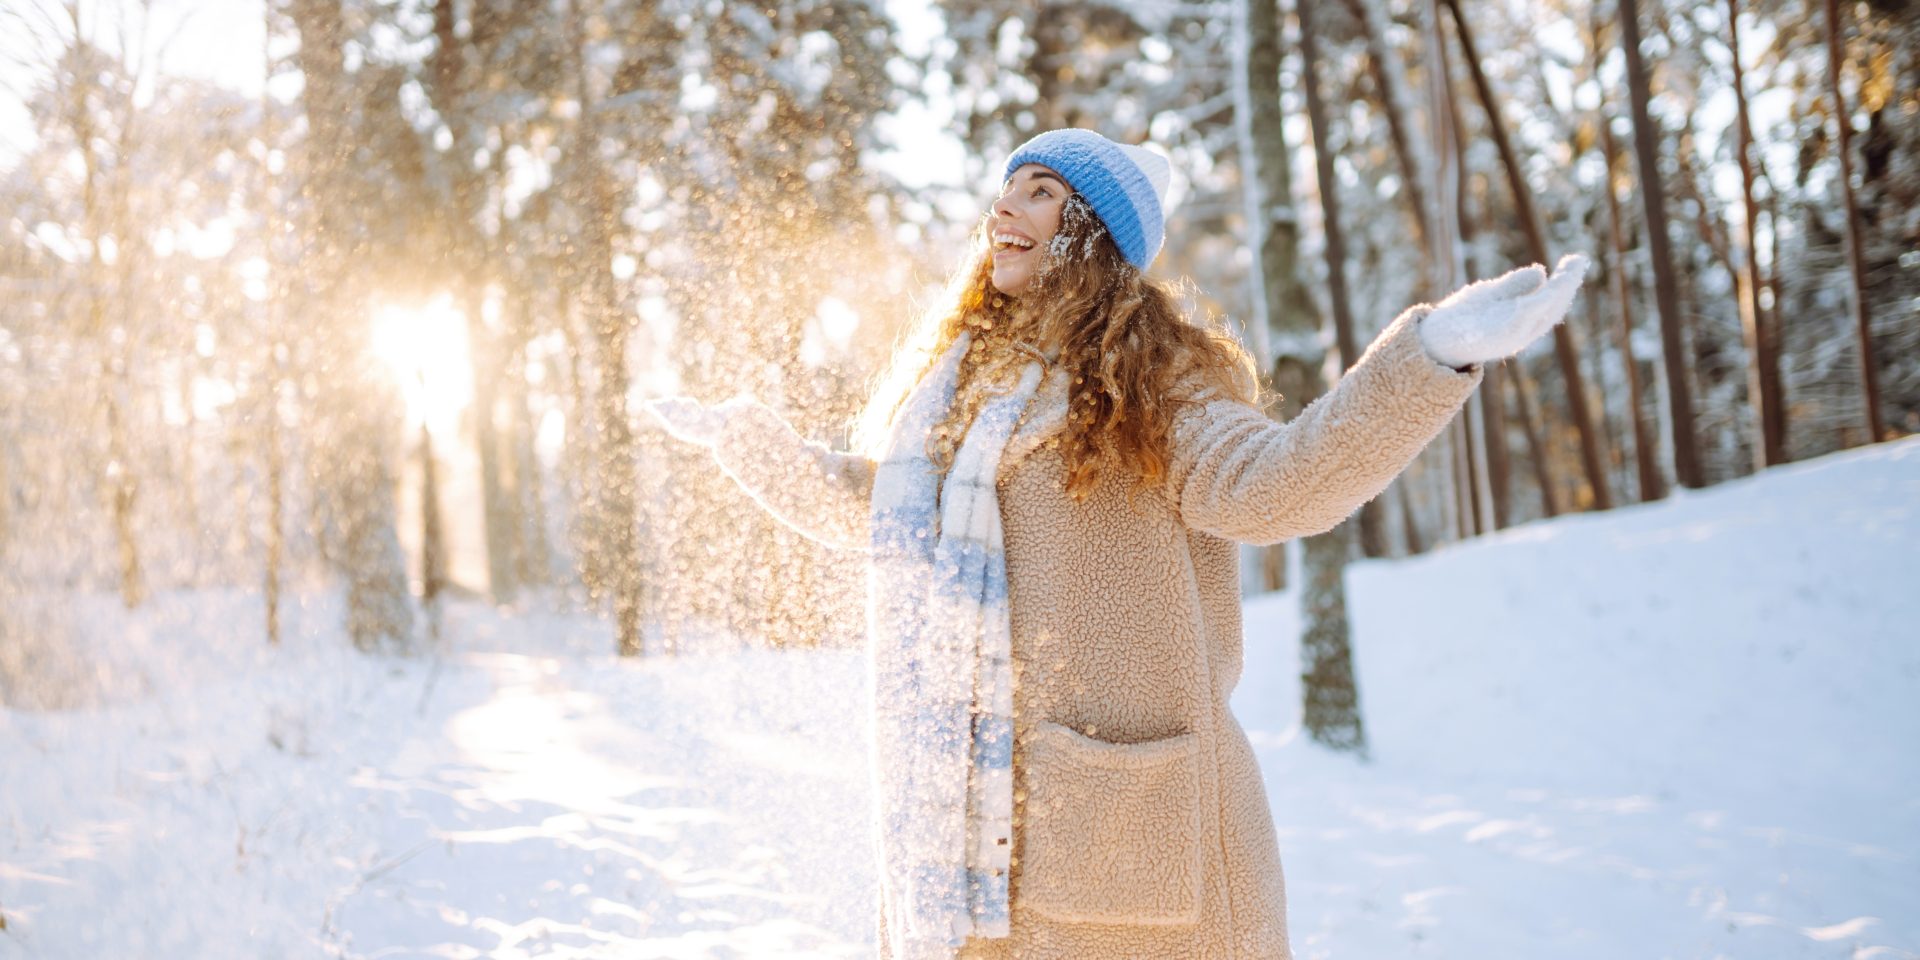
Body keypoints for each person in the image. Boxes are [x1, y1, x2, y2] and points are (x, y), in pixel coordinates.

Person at [648, 128, 1587, 960]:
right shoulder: (966, 388)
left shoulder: (1158, 387)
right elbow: (887, 510)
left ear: (1092, 231)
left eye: (1041, 191)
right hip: (973, 840)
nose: (1004, 208)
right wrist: (749, 444)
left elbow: (1278, 485)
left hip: (1131, 843)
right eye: (1007, 188)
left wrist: (1429, 359)